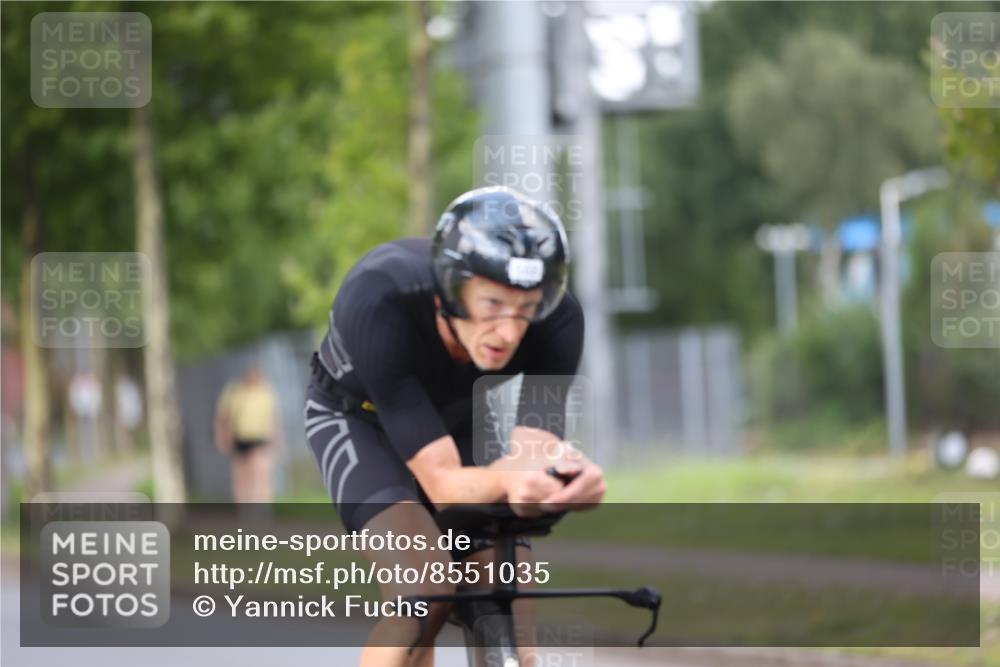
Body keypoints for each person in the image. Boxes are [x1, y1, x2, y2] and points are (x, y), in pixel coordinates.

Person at [303, 187, 606, 667]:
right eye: (492, 304)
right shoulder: (381, 299)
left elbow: (533, 456)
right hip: (359, 421)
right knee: (424, 587)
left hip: (455, 419)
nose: (509, 331)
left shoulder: (559, 322)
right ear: (450, 287)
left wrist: (564, 481)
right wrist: (512, 479)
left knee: (511, 601)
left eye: (526, 310)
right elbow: (444, 485)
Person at [215, 363, 282, 503]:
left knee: (261, 472)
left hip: (260, 437)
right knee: (242, 475)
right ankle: (245, 507)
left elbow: (274, 418)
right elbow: (223, 417)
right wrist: (222, 438)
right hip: (240, 437)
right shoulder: (235, 391)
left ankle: (262, 505)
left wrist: (277, 441)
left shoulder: (266, 391)